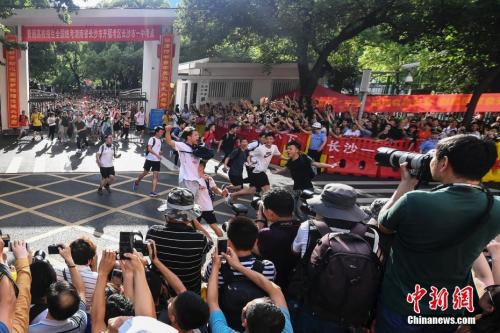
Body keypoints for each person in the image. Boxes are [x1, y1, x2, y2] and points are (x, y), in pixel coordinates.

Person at [375, 135, 500, 333]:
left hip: (402, 306)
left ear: (444, 163)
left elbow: (384, 225)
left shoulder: (414, 201)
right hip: (448, 309)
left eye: (433, 156)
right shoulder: (495, 207)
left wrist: (405, 184)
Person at [289, 183, 369, 332]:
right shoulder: (368, 233)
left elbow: (296, 251)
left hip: (310, 305)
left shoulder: (309, 227)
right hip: (347, 313)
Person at [207, 247, 293, 333]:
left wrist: (216, 266)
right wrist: (238, 266)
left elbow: (212, 302)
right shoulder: (285, 329)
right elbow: (276, 290)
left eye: (245, 309)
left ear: (244, 322)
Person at [146, 187, 212, 294]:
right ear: (190, 215)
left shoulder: (153, 233)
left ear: (167, 212)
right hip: (190, 296)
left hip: (161, 294)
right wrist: (191, 218)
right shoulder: (200, 239)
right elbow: (210, 242)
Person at [29, 243, 88, 333]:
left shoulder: (29, 330)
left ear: (46, 301)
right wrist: (70, 260)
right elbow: (81, 291)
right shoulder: (80, 322)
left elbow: (80, 291)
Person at [254, 188, 300, 292]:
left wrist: (260, 219)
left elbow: (253, 246)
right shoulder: (302, 227)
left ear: (270, 213)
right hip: (295, 281)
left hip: (274, 284)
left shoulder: (267, 234)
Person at [226, 133, 285, 204]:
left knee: (252, 190)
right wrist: (250, 162)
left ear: (274, 140)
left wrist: (289, 159)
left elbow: (279, 156)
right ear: (265, 140)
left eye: (271, 139)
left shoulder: (274, 147)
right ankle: (263, 208)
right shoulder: (260, 148)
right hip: (258, 171)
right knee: (267, 191)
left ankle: (231, 195)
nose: (269, 140)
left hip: (259, 172)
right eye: (267, 139)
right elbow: (249, 156)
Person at [54, 237, 98, 309]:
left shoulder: (57, 271)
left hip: (62, 313)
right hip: (84, 316)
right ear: (89, 261)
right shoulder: (97, 279)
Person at [164, 125, 201, 196]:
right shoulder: (182, 146)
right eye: (195, 135)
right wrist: (168, 131)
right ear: (189, 137)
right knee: (187, 203)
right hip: (187, 180)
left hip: (196, 180)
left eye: (198, 135)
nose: (198, 137)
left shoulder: (197, 148)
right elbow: (169, 141)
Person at [132, 126, 164, 197]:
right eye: (161, 132)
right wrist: (157, 155)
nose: (162, 133)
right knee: (145, 173)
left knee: (155, 176)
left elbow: (157, 149)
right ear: (157, 132)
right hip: (149, 159)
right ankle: (137, 182)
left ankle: (152, 192)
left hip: (157, 161)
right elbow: (149, 149)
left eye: (162, 132)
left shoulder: (160, 140)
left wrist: (160, 152)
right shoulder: (152, 139)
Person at [195, 160, 225, 237]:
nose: (199, 167)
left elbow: (215, 189)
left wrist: (222, 193)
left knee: (213, 226)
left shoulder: (208, 179)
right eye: (197, 165)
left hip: (206, 207)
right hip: (195, 208)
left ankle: (223, 242)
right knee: (194, 228)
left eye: (201, 166)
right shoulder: (191, 178)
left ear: (204, 167)